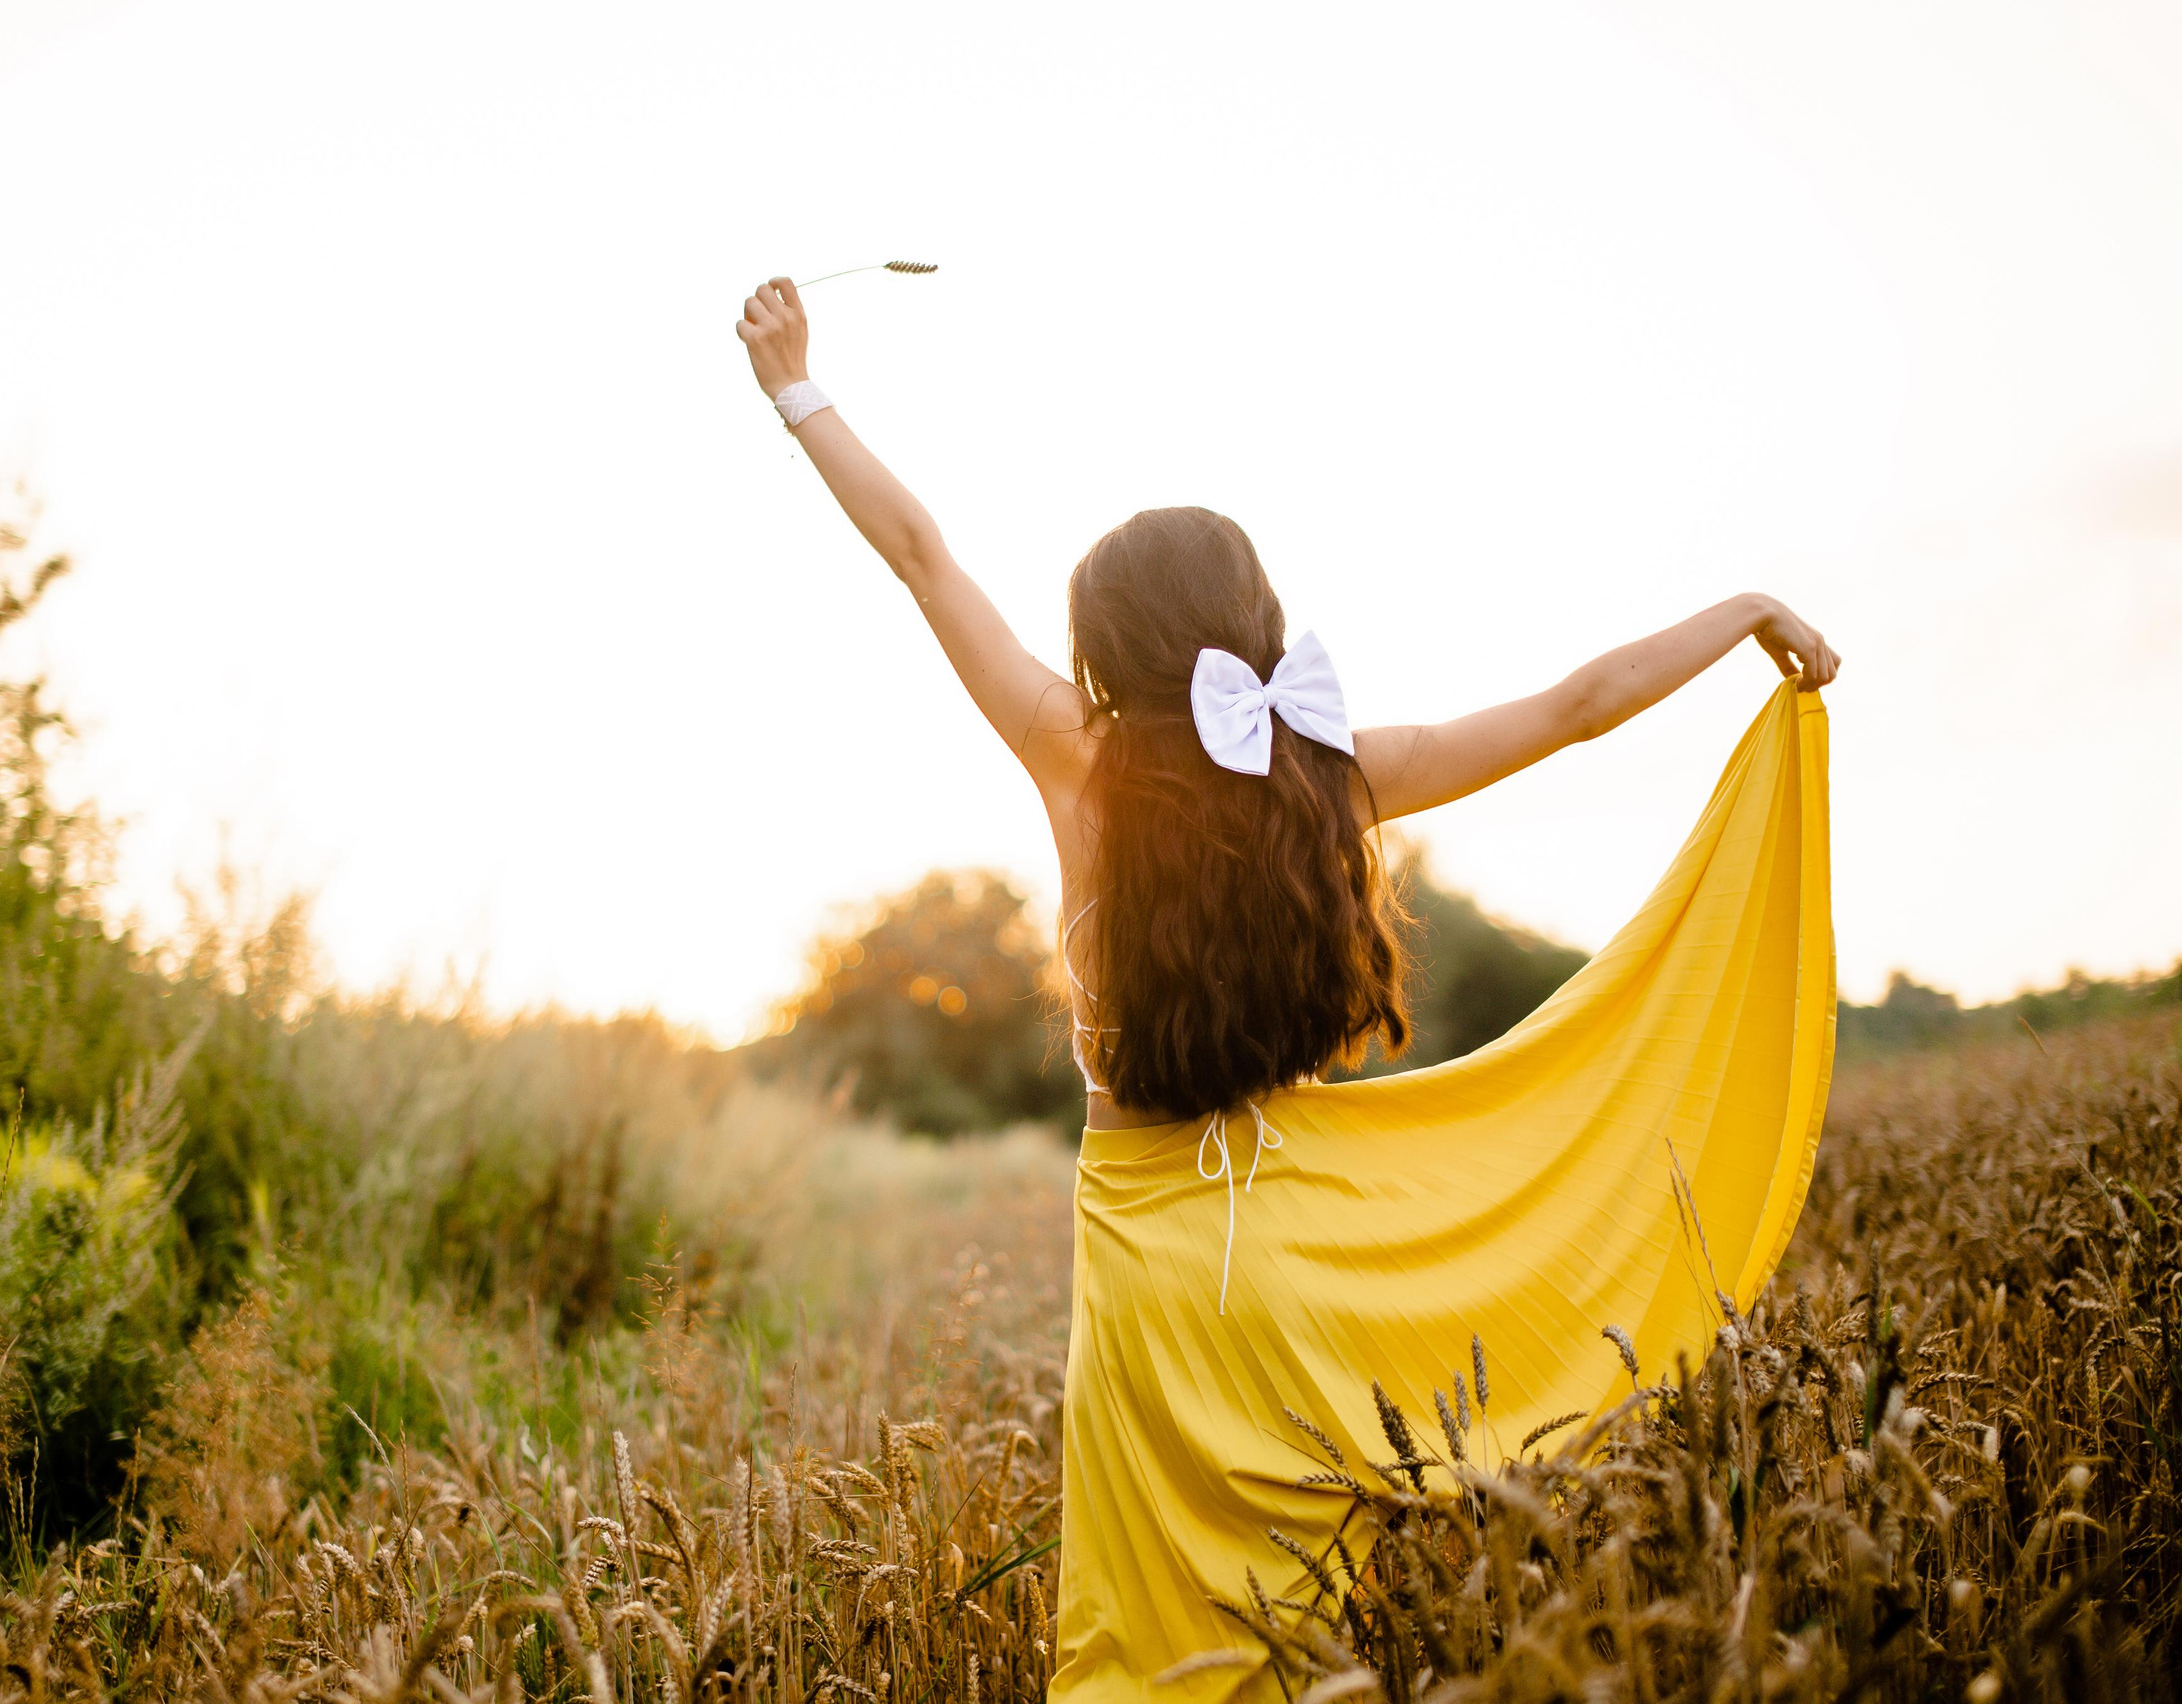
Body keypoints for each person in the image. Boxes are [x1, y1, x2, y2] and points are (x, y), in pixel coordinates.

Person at [736, 277, 1842, 1700]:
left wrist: (798, 389)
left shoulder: (1080, 759)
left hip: (1148, 1245)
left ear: (1101, 646)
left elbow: (921, 556)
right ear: (1250, 621)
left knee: (1150, 1628)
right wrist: (1746, 608)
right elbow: (1575, 709)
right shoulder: (1339, 774)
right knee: (1299, 1611)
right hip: (1311, 1245)